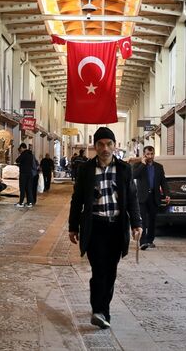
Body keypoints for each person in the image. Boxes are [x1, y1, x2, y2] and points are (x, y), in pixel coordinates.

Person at [68, 127, 142, 330]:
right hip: (95, 227)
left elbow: (132, 198)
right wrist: (73, 226)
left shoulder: (125, 169)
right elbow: (77, 200)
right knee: (99, 269)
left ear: (115, 145)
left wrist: (136, 223)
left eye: (109, 144)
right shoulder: (86, 169)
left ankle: (101, 309)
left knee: (110, 271)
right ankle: (100, 311)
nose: (105, 148)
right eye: (100, 144)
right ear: (95, 147)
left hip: (117, 228)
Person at [132, 145, 170, 250]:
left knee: (152, 220)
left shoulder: (159, 167)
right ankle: (143, 242)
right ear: (144, 154)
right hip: (142, 197)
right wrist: (143, 164)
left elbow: (163, 181)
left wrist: (167, 194)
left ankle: (150, 240)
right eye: (148, 154)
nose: (150, 156)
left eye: (152, 154)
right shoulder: (138, 165)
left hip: (154, 196)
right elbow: (134, 175)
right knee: (143, 220)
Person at [15, 144, 37, 208]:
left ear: (22, 148)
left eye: (20, 149)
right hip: (30, 173)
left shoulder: (24, 154)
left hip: (23, 173)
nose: (20, 150)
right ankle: (30, 202)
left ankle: (21, 202)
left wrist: (20, 155)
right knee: (29, 188)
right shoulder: (30, 154)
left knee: (22, 188)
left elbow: (17, 160)